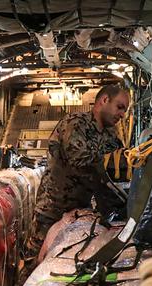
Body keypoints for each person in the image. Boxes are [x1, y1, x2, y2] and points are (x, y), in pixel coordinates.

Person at [27, 85, 130, 259]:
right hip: (54, 208)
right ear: (104, 100)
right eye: (120, 107)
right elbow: (80, 161)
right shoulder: (75, 124)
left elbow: (118, 169)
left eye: (125, 110)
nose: (122, 115)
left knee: (67, 260)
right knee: (37, 260)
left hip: (81, 213)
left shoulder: (111, 137)